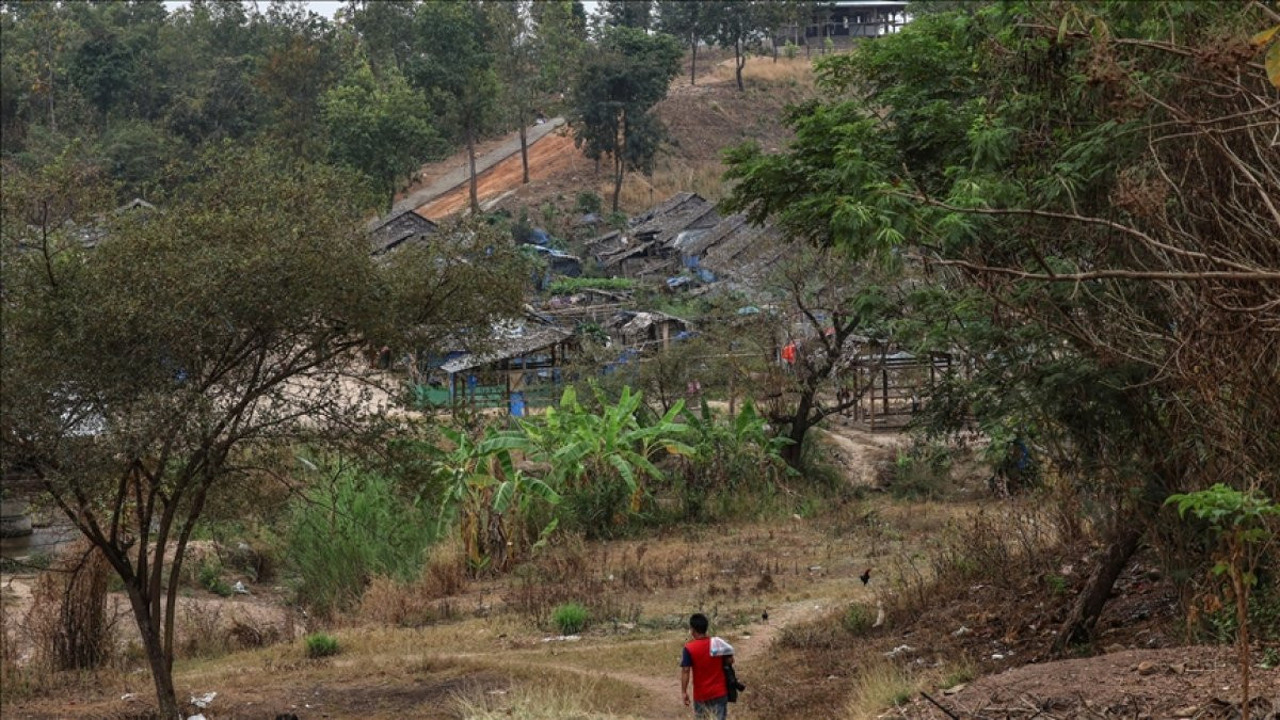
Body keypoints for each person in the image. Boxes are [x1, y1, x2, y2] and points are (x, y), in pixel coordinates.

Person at [680, 613, 732, 719]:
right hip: (719, 691)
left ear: (692, 630)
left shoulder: (689, 648)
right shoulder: (717, 643)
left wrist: (684, 692)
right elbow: (730, 660)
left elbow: (685, 670)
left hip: (701, 694)